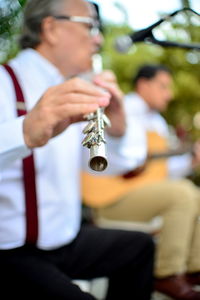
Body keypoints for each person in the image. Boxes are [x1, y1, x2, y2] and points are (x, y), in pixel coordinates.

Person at [0, 1, 155, 299]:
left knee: (140, 249)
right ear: (51, 28)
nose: (98, 38)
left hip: (64, 240)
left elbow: (103, 167)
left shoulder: (76, 86)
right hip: (9, 249)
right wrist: (25, 130)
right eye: (91, 26)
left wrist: (119, 130)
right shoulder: (4, 82)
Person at [82, 64, 200, 300]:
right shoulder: (120, 108)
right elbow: (97, 155)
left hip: (139, 194)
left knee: (191, 193)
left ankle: (193, 270)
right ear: (143, 85)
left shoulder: (157, 123)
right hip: (109, 196)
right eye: (163, 86)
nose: (169, 94)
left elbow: (159, 174)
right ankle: (166, 273)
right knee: (183, 193)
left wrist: (191, 162)